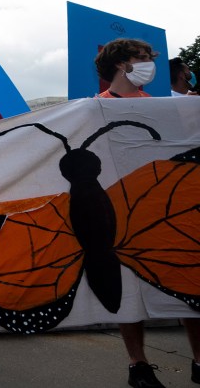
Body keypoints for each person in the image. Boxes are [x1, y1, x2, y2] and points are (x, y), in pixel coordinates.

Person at [94, 39, 200, 388]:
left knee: (188, 286)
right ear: (121, 64)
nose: (148, 64)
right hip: (120, 214)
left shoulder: (167, 105)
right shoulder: (94, 109)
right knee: (129, 293)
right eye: (140, 59)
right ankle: (138, 365)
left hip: (169, 209)